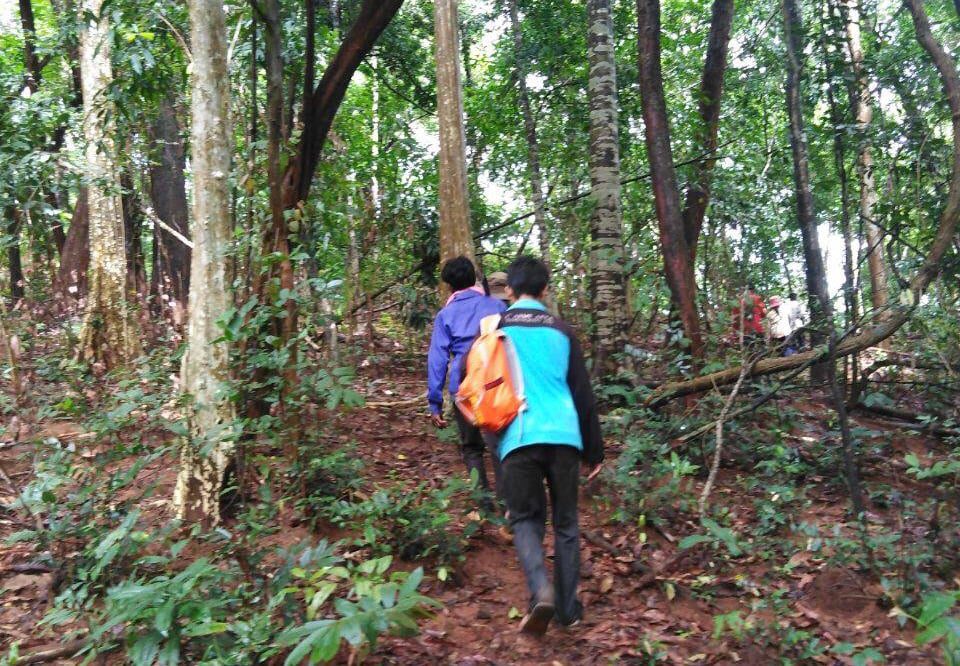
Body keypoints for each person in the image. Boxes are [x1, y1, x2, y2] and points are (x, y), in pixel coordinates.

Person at [496, 256, 603, 636]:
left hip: (517, 434)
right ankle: (568, 612)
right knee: (567, 524)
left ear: (509, 290)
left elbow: (473, 381)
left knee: (525, 519)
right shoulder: (562, 330)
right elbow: (582, 393)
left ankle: (541, 590)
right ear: (545, 290)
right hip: (564, 436)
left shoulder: (496, 329)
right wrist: (595, 450)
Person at [427, 256, 507, 508]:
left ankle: (483, 507)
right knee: (500, 446)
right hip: (496, 383)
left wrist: (435, 402)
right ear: (474, 278)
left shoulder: (446, 314)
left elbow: (438, 359)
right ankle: (507, 508)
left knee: (472, 447)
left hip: (464, 386)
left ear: (449, 286)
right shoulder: (497, 306)